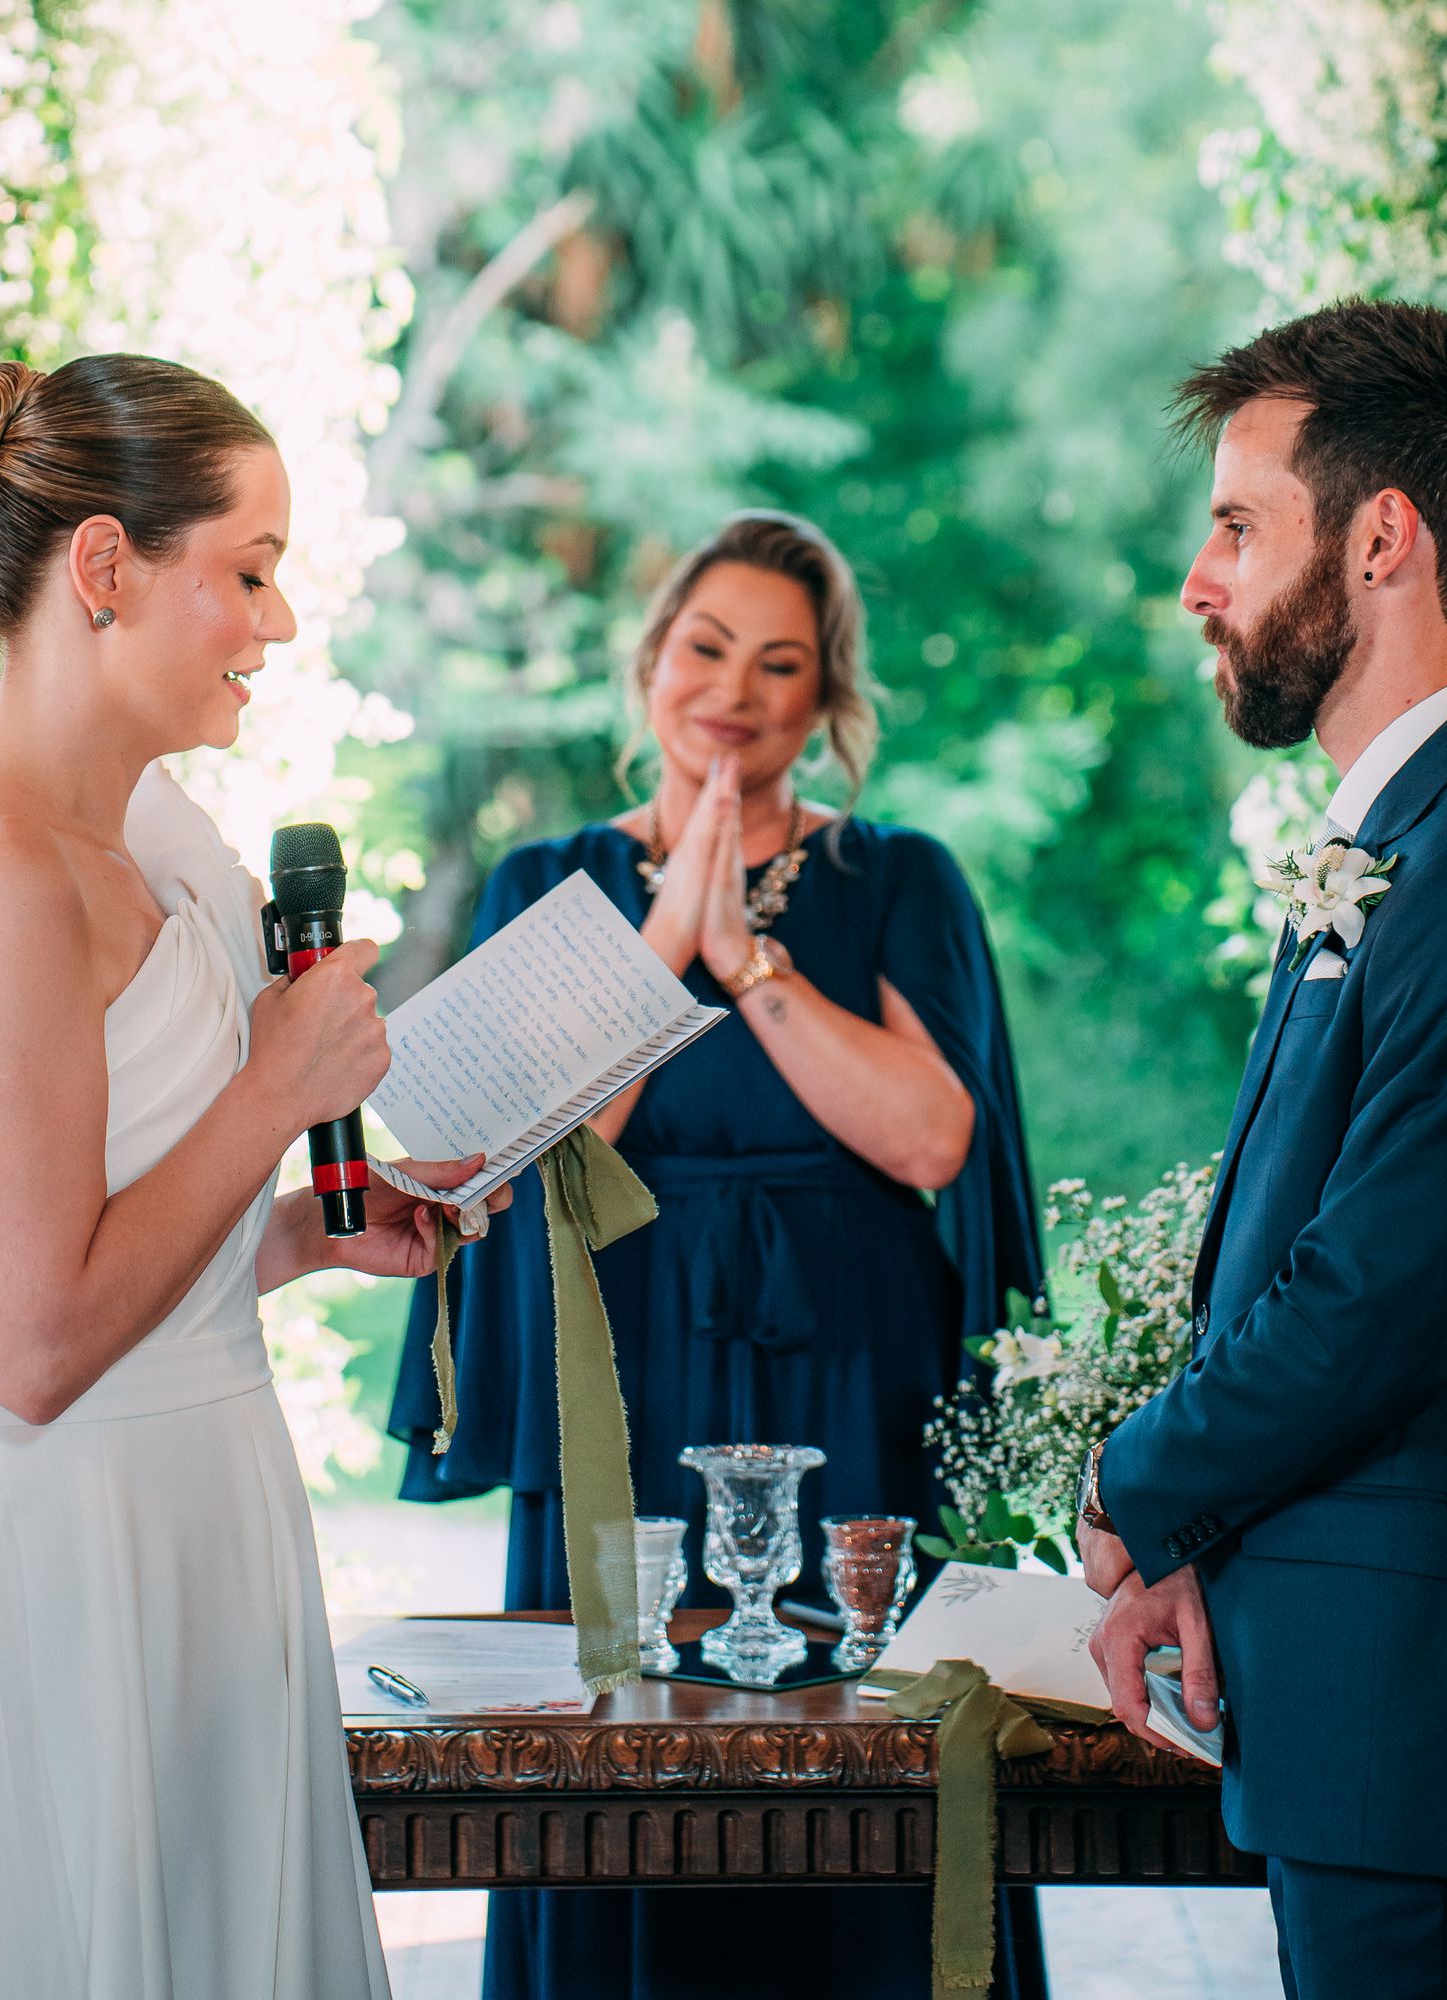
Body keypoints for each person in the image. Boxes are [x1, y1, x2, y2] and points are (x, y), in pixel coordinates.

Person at [0, 354, 501, 2000]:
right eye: (248, 573)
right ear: (104, 570)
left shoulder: (155, 851)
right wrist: (271, 1095)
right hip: (73, 1568)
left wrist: (302, 1239)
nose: (280, 625)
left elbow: (101, 1239)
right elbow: (28, 1348)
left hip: (209, 1528)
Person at [389, 507, 1045, 2000]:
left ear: (826, 705)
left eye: (780, 664)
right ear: (647, 663)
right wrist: (663, 938)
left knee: (859, 1769)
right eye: (704, 647)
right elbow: (530, 1148)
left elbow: (931, 1141)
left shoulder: (904, 878)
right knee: (619, 1776)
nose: (732, 692)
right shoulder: (542, 880)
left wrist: (744, 948)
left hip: (853, 1381)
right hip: (623, 1368)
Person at [1078, 302, 1447, 2000]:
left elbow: (1367, 1302)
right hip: (1370, 1719)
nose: (1202, 579)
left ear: (1383, 538)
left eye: (1241, 525)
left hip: (1444, 1734)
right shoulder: (1416, 836)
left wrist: (1136, 1486)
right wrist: (1197, 1551)